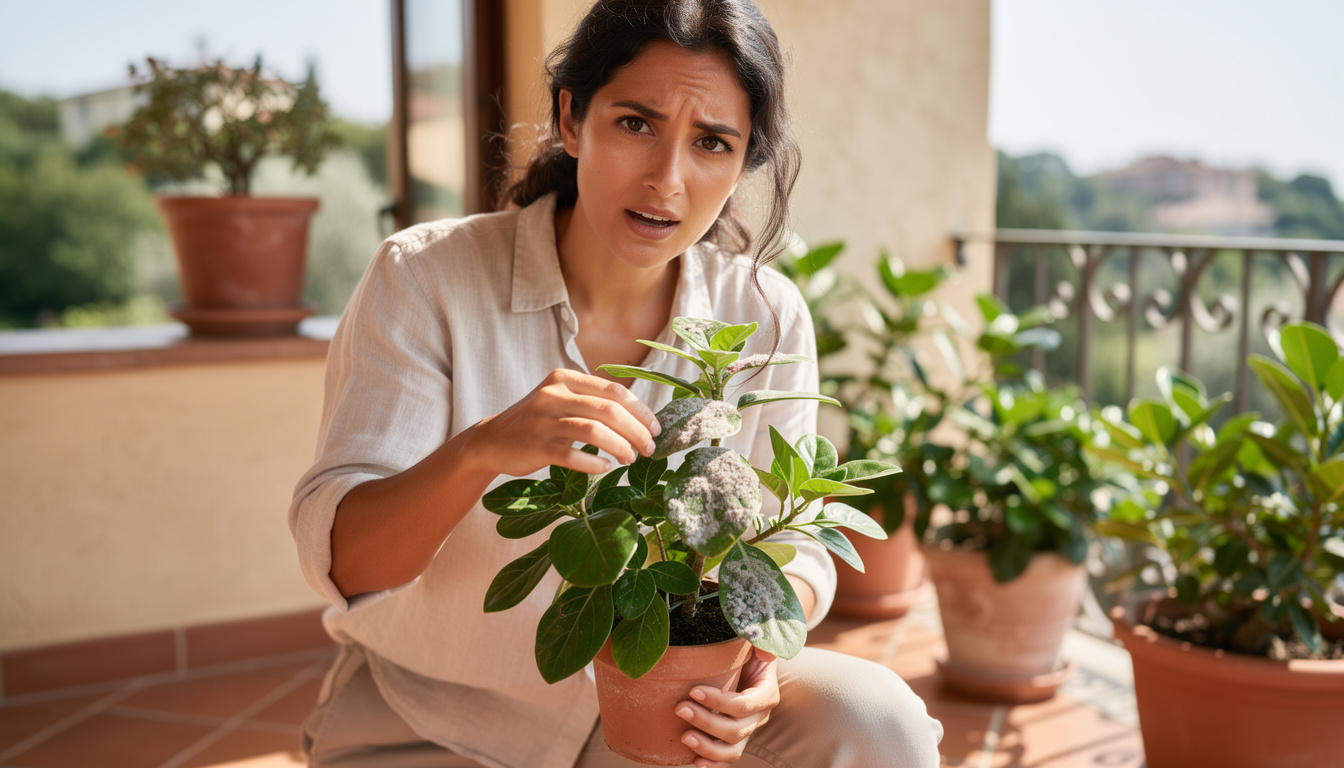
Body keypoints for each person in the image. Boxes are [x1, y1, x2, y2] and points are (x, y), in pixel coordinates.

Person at [289, 1, 943, 766]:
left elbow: (791, 548)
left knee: (877, 721)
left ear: (743, 165)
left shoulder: (763, 314)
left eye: (711, 142)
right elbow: (349, 562)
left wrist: (760, 661)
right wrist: (483, 449)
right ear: (572, 120)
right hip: (431, 719)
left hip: (663, 715)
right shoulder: (425, 277)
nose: (667, 179)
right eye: (636, 123)